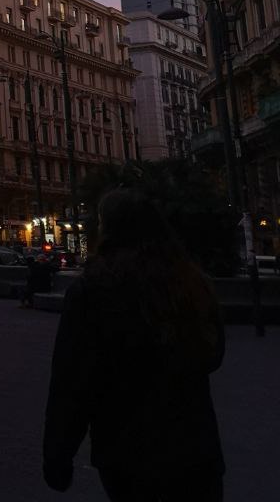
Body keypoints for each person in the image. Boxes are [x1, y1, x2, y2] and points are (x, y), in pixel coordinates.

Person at [43, 188, 225, 500]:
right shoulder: (192, 283)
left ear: (107, 229)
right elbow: (213, 354)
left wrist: (58, 454)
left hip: (128, 452)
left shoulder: (93, 292)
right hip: (196, 448)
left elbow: (71, 382)